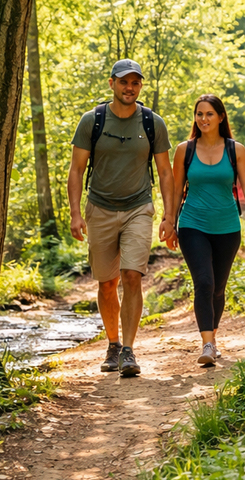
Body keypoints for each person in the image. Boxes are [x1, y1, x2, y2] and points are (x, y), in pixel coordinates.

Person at [67, 59, 174, 377]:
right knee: (107, 282)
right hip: (99, 208)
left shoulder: (152, 123)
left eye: (136, 82)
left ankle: (128, 349)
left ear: (140, 86)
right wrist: (75, 213)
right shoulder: (92, 120)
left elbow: (165, 172)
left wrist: (170, 215)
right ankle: (112, 344)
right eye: (124, 82)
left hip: (138, 207)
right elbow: (76, 170)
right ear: (112, 83)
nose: (130, 87)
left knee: (132, 276)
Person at [169, 94, 245, 366]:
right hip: (192, 225)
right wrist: (170, 222)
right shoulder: (184, 150)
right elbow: (176, 190)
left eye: (209, 114)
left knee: (218, 289)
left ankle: (213, 338)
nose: (203, 119)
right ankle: (207, 344)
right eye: (199, 114)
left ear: (221, 117)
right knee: (204, 282)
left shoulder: (236, 150)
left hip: (227, 227)